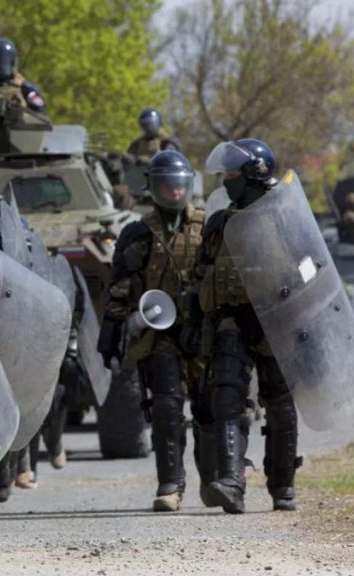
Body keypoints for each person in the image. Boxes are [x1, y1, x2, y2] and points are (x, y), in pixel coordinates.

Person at [180, 138, 300, 514]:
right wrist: (192, 323)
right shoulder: (219, 223)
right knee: (227, 402)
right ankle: (232, 483)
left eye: (231, 173)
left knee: (280, 405)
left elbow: (312, 269)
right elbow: (200, 278)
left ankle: (283, 486)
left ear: (254, 174)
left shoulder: (284, 217)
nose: (225, 179)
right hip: (231, 321)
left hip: (276, 323)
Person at [98, 150, 211, 511]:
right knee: (165, 408)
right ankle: (171, 484)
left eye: (179, 185)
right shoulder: (137, 233)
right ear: (154, 188)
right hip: (159, 332)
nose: (174, 192)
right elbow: (119, 289)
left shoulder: (210, 228)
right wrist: (111, 336)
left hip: (204, 330)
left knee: (214, 407)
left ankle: (216, 479)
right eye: (167, 185)